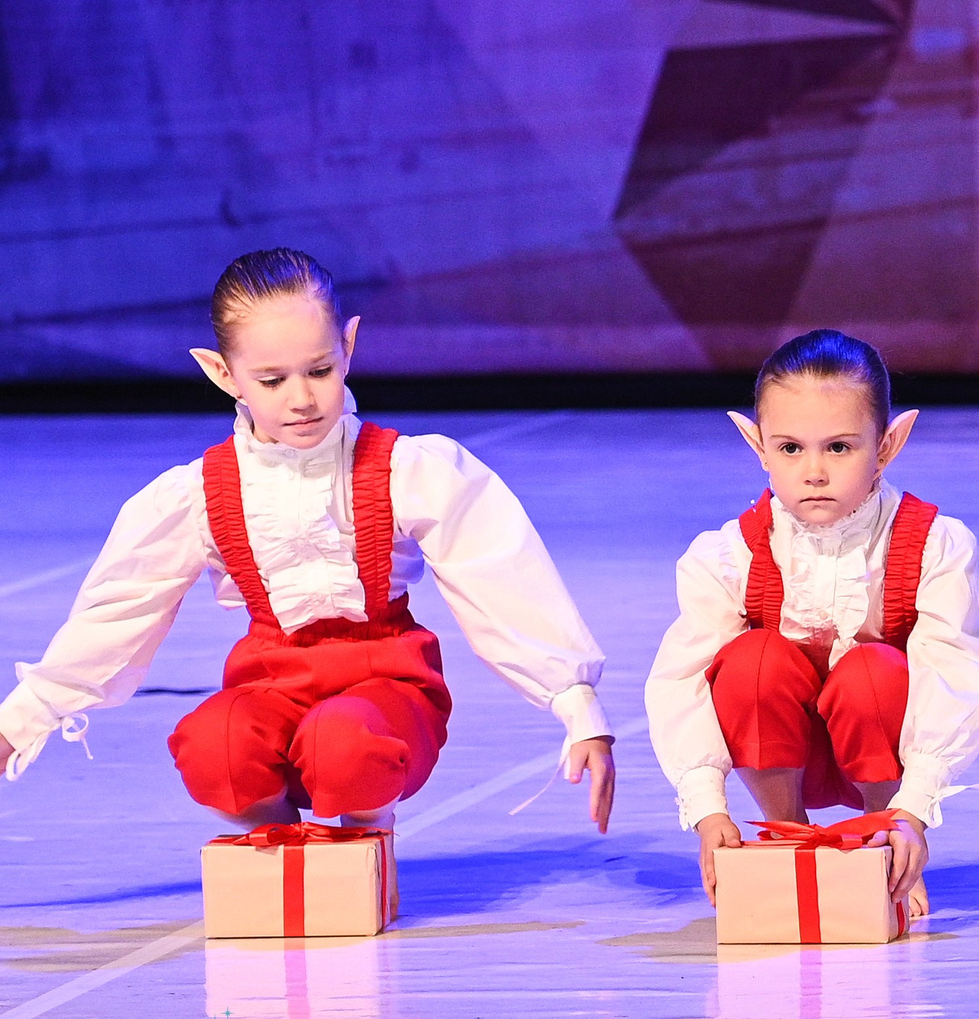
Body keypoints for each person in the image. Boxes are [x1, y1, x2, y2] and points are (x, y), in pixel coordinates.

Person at [0, 248, 617, 833]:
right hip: (272, 689)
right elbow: (118, 613)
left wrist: (577, 706)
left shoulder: (409, 470)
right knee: (215, 746)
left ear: (348, 346)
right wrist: (19, 719)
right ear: (223, 374)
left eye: (319, 370)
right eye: (271, 381)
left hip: (387, 694)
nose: (301, 399)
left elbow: (500, 578)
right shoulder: (197, 494)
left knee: (344, 743)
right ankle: (281, 849)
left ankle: (367, 833)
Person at [644, 330, 979, 914]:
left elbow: (954, 674)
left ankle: (884, 842)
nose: (813, 472)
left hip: (885, 752)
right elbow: (680, 681)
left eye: (838, 448)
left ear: (887, 445)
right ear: (758, 446)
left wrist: (912, 812)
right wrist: (709, 811)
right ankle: (788, 837)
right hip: (784, 752)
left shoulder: (934, 544)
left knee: (873, 671)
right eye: (790, 448)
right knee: (752, 662)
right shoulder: (729, 553)